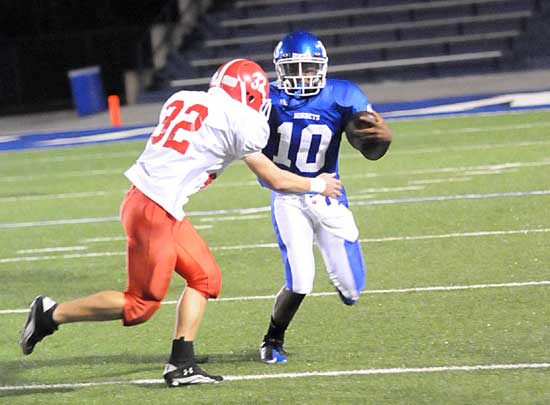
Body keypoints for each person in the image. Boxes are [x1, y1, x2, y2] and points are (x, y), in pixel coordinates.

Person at [19, 58, 342, 386]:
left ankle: (181, 362)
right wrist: (318, 183)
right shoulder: (243, 120)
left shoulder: (182, 99)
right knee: (140, 305)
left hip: (153, 203)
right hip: (153, 210)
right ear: (250, 94)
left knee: (205, 278)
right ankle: (50, 314)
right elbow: (273, 178)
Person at [259, 32, 393, 364]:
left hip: (329, 192)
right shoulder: (265, 100)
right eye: (294, 70)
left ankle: (344, 275)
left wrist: (380, 139)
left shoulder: (342, 94)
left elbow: (368, 146)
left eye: (309, 68)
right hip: (288, 195)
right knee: (301, 280)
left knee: (351, 291)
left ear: (322, 68)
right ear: (279, 71)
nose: (302, 76)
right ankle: (272, 339)